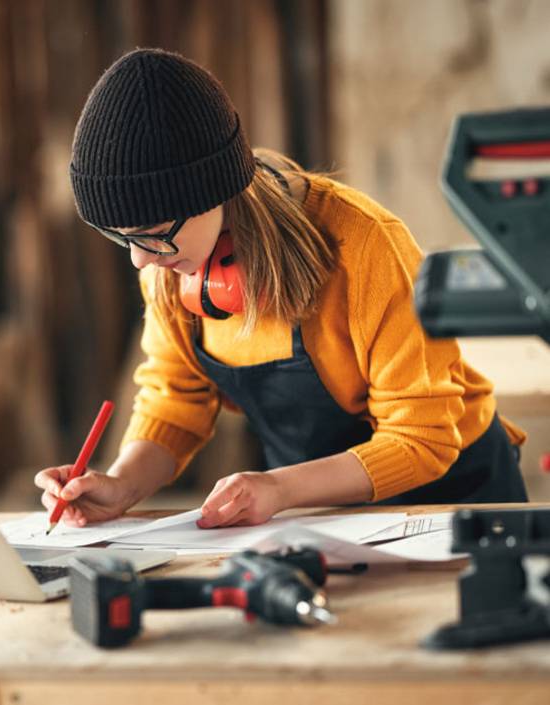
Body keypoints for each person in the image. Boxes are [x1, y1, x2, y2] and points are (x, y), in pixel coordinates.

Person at [35, 47, 528, 529]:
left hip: (455, 503)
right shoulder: (171, 264)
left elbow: (422, 437)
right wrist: (122, 484)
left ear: (214, 190)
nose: (140, 258)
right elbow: (175, 402)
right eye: (121, 236)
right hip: (322, 518)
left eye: (152, 232)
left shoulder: (365, 243)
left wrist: (281, 488)